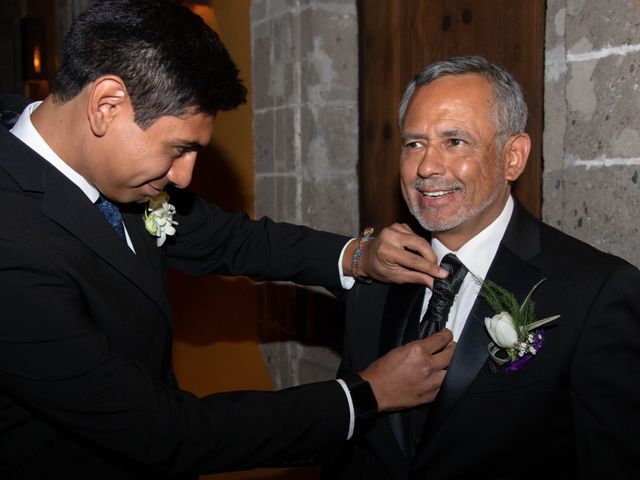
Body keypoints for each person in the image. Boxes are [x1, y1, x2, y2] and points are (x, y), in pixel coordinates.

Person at [0, 1, 455, 478]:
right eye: (179, 149)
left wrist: (358, 256)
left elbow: (231, 240)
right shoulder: (12, 249)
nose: (183, 176)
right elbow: (164, 431)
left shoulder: (106, 168)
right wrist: (365, 395)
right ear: (107, 105)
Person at [320, 55, 640, 479]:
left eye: (455, 142)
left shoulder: (595, 291)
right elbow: (353, 446)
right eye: (414, 143)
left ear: (513, 157)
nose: (427, 167)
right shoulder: (376, 276)